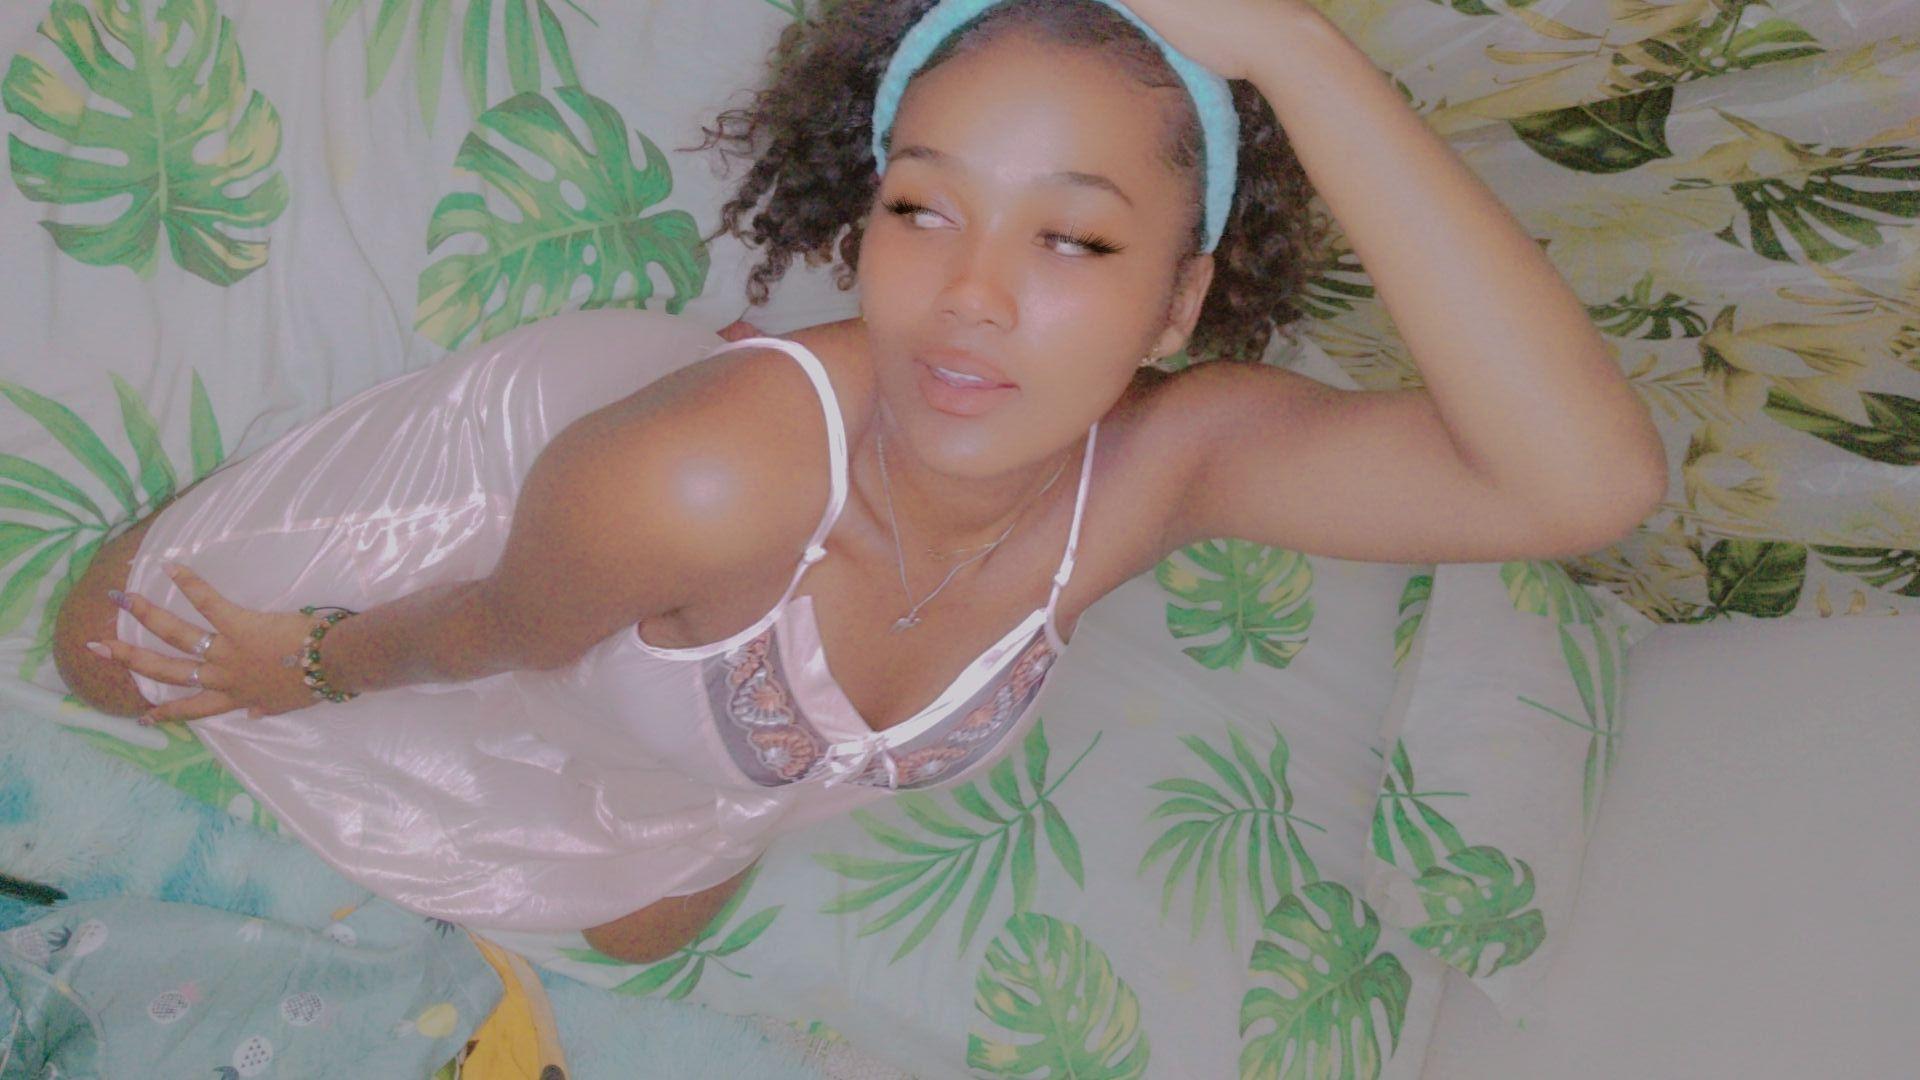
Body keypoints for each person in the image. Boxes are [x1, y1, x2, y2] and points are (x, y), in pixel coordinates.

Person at [51, 0, 1667, 963]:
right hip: (512, 570)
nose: (970, 297)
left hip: (695, 747)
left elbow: (1582, 486)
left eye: (1073, 239)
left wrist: (1295, 50)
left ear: (1180, 302)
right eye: (922, 209)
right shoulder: (694, 480)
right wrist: (308, 661)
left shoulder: (1167, 466)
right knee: (107, 657)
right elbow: (489, 629)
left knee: (639, 931)